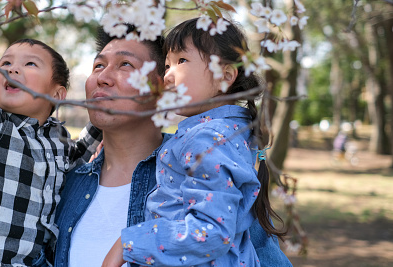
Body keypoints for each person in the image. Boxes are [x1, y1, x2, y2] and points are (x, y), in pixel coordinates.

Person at [53, 25, 291, 267]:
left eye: (126, 64)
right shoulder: (64, 182)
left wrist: (129, 244)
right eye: (98, 66)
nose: (102, 77)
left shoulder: (204, 163)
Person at [0, 0, 101, 267]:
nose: (11, 69)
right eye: (5, 63)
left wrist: (105, 108)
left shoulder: (59, 141)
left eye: (30, 64)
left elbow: (85, 153)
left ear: (58, 94)